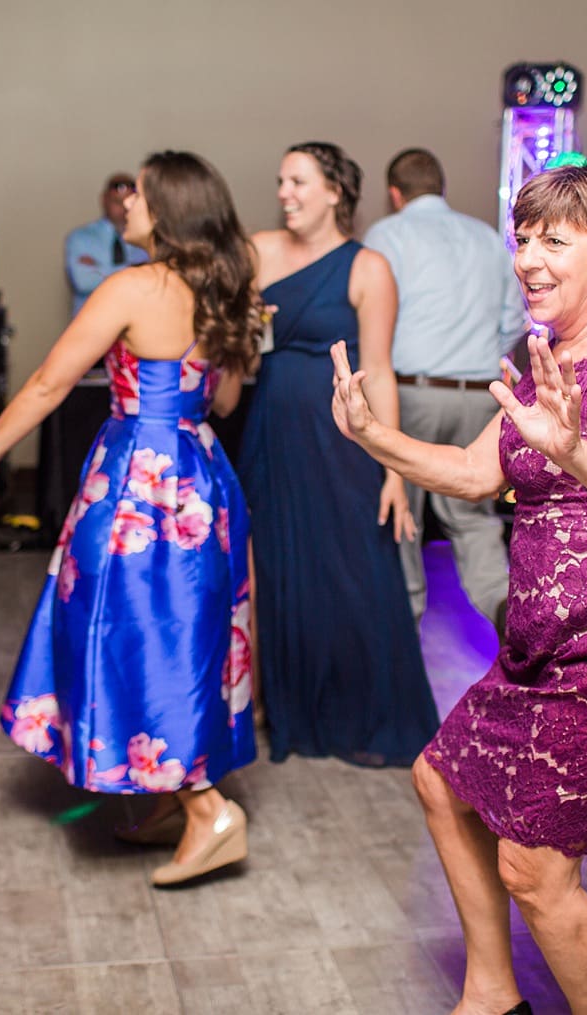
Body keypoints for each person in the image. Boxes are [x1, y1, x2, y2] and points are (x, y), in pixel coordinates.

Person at [330, 156, 587, 1015]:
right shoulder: (542, 355)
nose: (528, 259)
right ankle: (492, 993)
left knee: (533, 868)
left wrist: (574, 449)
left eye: (553, 242)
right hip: (542, 646)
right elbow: (468, 469)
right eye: (523, 238)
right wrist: (370, 435)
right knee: (440, 779)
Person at [0, 151, 261, 887]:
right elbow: (224, 404)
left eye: (138, 191)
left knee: (129, 631)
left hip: (140, 480)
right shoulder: (223, 290)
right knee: (185, 634)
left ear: (165, 210)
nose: (125, 200)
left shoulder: (133, 286)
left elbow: (47, 383)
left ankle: (208, 810)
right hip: (203, 478)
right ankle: (169, 794)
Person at [239, 141, 439, 767]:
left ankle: (358, 712)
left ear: (334, 191)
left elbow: (380, 372)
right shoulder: (258, 251)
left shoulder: (368, 267)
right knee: (279, 570)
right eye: (280, 181)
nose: (284, 193)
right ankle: (289, 711)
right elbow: (240, 358)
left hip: (342, 441)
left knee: (353, 573)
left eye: (297, 181)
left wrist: (393, 469)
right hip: (270, 429)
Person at [363, 148, 527, 626]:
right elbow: (514, 319)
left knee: (402, 512)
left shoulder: (385, 235)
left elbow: (375, 320)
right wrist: (473, 356)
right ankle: (504, 610)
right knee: (472, 516)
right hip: (480, 393)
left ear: (394, 193)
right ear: (442, 186)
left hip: (410, 391)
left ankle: (406, 616)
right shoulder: (485, 237)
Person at [64, 172, 149, 317]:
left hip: (135, 322)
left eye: (130, 201)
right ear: (104, 200)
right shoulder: (81, 238)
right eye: (117, 202)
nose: (124, 208)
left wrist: (99, 268)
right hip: (91, 323)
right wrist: (136, 269)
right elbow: (84, 282)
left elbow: (151, 282)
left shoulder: (146, 237)